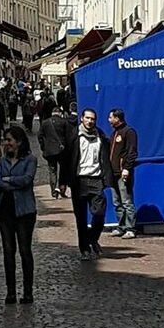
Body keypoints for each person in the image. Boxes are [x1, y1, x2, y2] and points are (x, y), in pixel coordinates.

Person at [0, 122, 38, 304]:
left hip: (25, 211)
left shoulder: (30, 159)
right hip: (4, 211)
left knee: (25, 251)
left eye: (9, 140)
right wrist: (11, 183)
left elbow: (27, 180)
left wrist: (8, 179)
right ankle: (10, 292)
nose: (6, 143)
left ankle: (28, 291)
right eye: (5, 140)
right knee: (8, 251)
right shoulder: (2, 161)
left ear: (19, 142)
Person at [58, 107, 107, 260]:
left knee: (99, 213)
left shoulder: (100, 136)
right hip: (79, 180)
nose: (90, 121)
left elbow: (105, 156)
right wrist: (63, 182)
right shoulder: (74, 136)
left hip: (96, 179)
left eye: (92, 119)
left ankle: (92, 238)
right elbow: (65, 160)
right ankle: (84, 248)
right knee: (81, 218)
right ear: (81, 119)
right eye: (87, 118)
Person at [106, 106, 139, 237]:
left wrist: (126, 168)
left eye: (110, 117)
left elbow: (132, 152)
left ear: (117, 118)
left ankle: (130, 228)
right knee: (116, 202)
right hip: (113, 173)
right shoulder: (114, 133)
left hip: (122, 173)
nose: (109, 120)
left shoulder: (129, 132)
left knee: (126, 201)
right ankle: (121, 226)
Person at [37, 104, 67, 198]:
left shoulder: (45, 123)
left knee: (52, 170)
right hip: (62, 150)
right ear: (59, 113)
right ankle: (61, 188)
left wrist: (43, 146)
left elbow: (40, 136)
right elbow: (68, 136)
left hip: (49, 151)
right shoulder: (64, 122)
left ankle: (54, 191)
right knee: (63, 170)